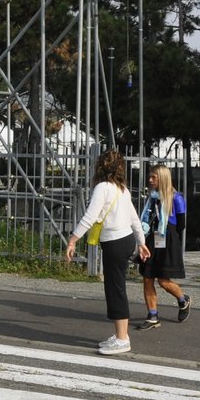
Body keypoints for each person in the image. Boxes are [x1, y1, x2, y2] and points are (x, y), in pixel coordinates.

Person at [64, 150, 150, 355]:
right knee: (117, 287)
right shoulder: (122, 189)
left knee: (115, 288)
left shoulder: (102, 187)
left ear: (100, 166)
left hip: (114, 242)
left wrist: (73, 239)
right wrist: (141, 242)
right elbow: (134, 219)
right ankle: (121, 335)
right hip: (126, 239)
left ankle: (122, 339)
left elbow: (90, 216)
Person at [135, 164, 191, 330]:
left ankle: (183, 299)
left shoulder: (176, 198)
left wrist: (166, 235)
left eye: (154, 177)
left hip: (167, 238)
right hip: (152, 238)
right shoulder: (152, 197)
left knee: (164, 281)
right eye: (150, 177)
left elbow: (181, 224)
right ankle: (153, 315)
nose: (150, 180)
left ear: (163, 178)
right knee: (147, 277)